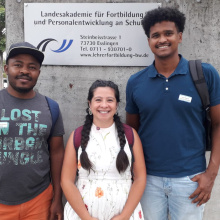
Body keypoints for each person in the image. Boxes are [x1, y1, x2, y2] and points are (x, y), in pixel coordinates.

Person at [125, 7, 220, 220]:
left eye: (168, 33)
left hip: (191, 180)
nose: (162, 40)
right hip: (147, 179)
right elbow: (131, 132)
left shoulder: (204, 74)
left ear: (179, 36)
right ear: (149, 41)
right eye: (155, 35)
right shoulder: (136, 82)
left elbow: (218, 124)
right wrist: (132, 175)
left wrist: (211, 175)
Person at [61, 80, 146, 220]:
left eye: (110, 100)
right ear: (90, 104)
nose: (104, 105)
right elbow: (66, 181)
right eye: (98, 100)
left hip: (124, 213)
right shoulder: (77, 136)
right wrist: (86, 217)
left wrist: (124, 216)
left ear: (117, 104)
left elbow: (140, 178)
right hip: (82, 215)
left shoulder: (130, 135)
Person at [0, 42, 65, 220]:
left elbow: (57, 153)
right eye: (18, 65)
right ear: (7, 68)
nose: (25, 71)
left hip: (39, 199)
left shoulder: (51, 107)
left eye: (32, 67)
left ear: (38, 72)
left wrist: (57, 198)